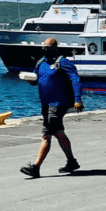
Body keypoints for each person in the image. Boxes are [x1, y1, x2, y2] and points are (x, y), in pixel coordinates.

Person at [20, 37, 85, 178]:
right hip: (45, 104)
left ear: (54, 48)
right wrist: (28, 79)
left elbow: (75, 78)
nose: (45, 50)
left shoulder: (62, 62)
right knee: (58, 132)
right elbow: (36, 80)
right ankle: (72, 162)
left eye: (48, 48)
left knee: (46, 134)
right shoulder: (40, 62)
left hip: (58, 104)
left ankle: (35, 167)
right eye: (44, 48)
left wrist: (78, 99)